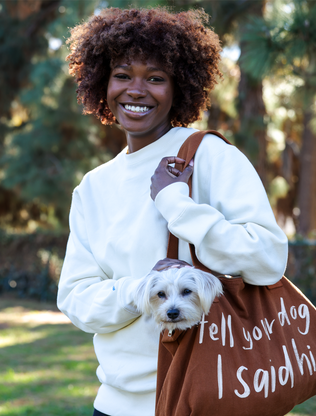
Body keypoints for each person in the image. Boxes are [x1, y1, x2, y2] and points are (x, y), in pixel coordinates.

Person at [57, 7, 288, 416]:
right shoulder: (93, 187)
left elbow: (268, 259)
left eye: (156, 78)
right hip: (116, 405)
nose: (136, 90)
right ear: (102, 83)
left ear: (179, 87)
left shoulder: (211, 157)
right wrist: (142, 289)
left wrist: (176, 205)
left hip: (207, 395)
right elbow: (75, 299)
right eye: (123, 74)